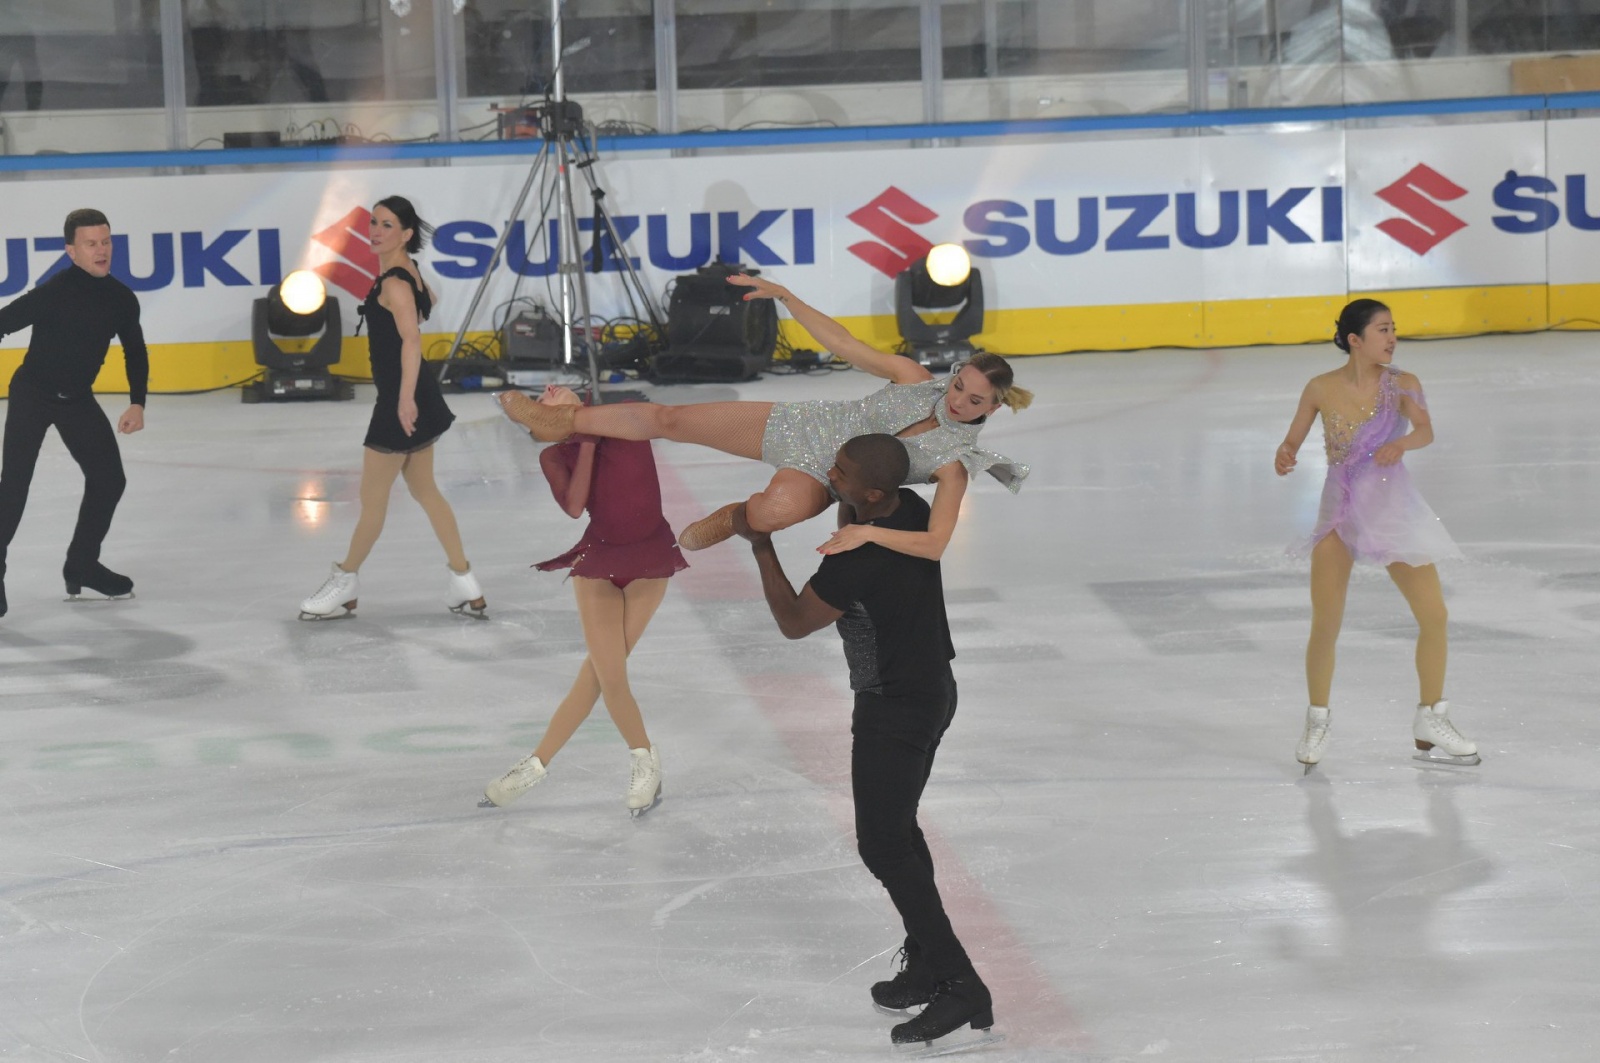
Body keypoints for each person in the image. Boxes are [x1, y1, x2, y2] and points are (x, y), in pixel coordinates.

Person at [737, 433, 1000, 1054]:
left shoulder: (856, 561)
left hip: (895, 709)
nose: (830, 474)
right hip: (932, 688)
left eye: (841, 472)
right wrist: (841, 493)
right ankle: (931, 964)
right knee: (898, 833)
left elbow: (794, 622)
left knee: (882, 843)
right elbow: (853, 505)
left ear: (872, 493)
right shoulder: (906, 512)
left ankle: (962, 985)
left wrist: (762, 545)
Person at [495, 274, 1030, 561]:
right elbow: (843, 342)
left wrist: (869, 537)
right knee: (670, 419)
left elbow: (935, 545)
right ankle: (562, 422)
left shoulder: (955, 464)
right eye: (960, 385)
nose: (958, 401)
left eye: (974, 401)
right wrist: (788, 297)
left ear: (995, 406)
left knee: (775, 511)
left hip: (830, 475)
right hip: (801, 425)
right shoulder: (916, 378)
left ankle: (734, 518)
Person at [1275, 298, 1477, 771]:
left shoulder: (1403, 385)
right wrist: (1284, 455)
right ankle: (1318, 718)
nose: (1392, 338)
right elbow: (1292, 440)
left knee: (1434, 615)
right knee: (1326, 622)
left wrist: (1401, 442)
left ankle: (1431, 715)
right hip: (1339, 513)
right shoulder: (1320, 388)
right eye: (1383, 330)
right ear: (1355, 340)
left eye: (1394, 328)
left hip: (1390, 510)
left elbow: (1425, 430)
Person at [481, 385, 686, 816]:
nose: (550, 389)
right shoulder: (554, 456)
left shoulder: (623, 415)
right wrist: (586, 437)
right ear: (542, 426)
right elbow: (575, 506)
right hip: (600, 562)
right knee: (607, 675)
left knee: (600, 675)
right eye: (543, 399)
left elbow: (657, 411)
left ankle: (536, 764)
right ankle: (643, 757)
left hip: (650, 559)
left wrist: (589, 422)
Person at [298, 196, 486, 621]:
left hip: (401, 398)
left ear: (405, 235)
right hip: (417, 393)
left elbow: (412, 341)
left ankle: (345, 584)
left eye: (387, 225)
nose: (376, 231)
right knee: (425, 490)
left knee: (372, 501)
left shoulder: (395, 283)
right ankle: (464, 581)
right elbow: (429, 300)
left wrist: (403, 401)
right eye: (374, 223)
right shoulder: (407, 275)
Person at [0, 208, 148, 617]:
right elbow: (4, 321)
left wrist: (138, 401)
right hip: (33, 394)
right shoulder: (54, 292)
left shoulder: (121, 298)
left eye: (106, 242)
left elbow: (135, 350)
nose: (101, 251)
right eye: (91, 244)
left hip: (77, 399)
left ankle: (82, 564)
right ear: (72, 251)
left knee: (109, 479)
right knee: (13, 487)